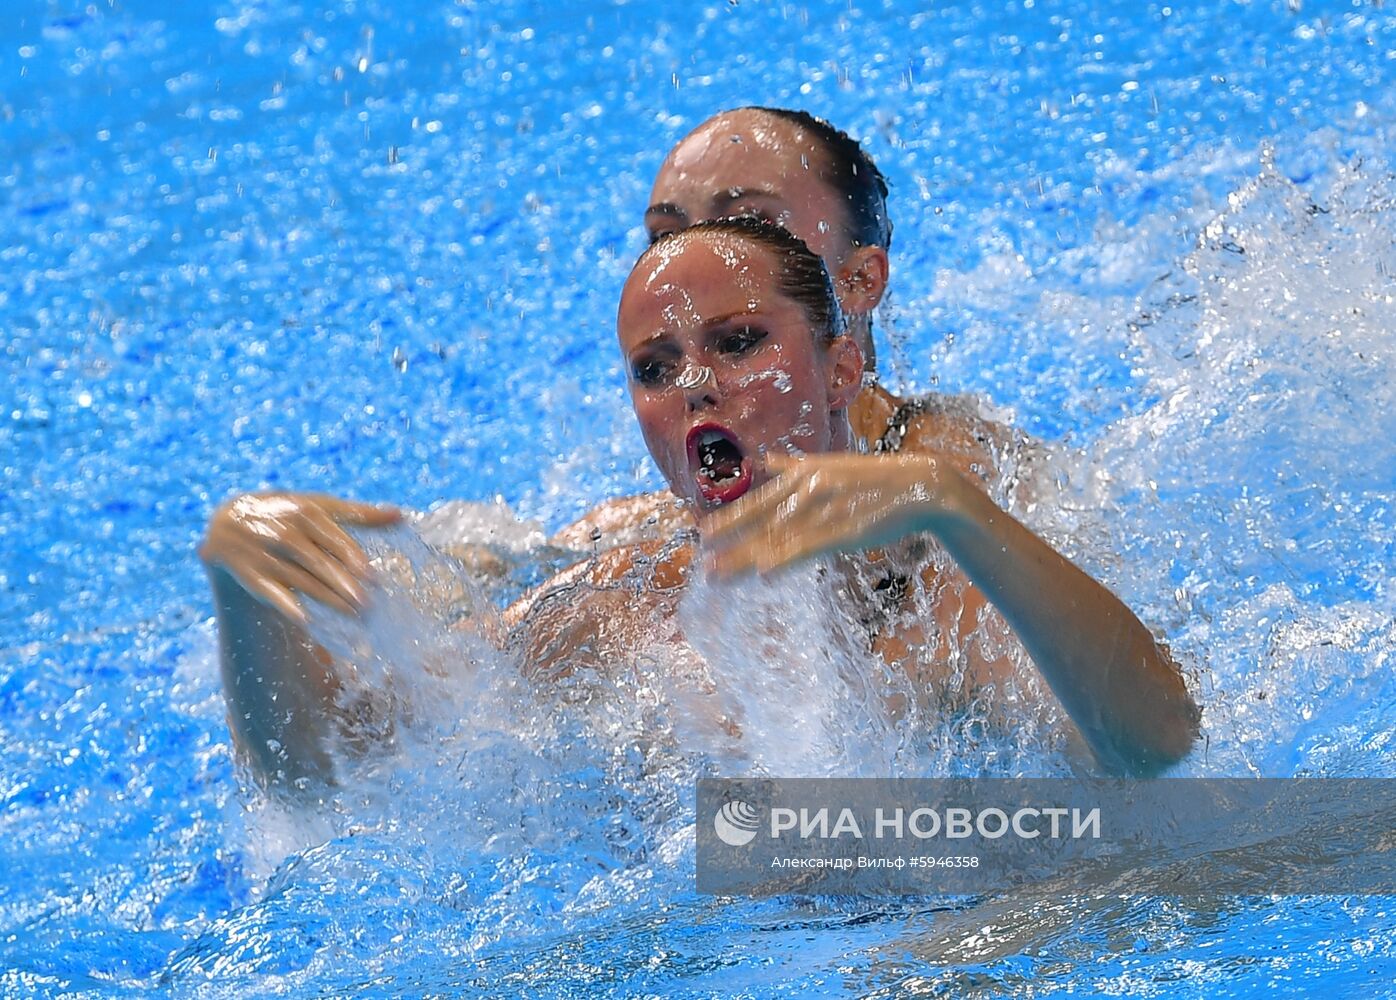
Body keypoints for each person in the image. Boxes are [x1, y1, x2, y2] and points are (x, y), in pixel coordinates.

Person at [201, 218, 1199, 793]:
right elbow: (331, 770)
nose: (694, 384)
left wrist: (957, 511)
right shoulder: (624, 596)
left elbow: (1155, 750)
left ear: (842, 363)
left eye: (737, 342)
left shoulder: (938, 582)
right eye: (654, 365)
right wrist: (247, 590)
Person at [549, 106, 1022, 550]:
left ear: (860, 279)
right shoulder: (660, 522)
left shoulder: (969, 476)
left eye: (750, 223)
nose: (700, 256)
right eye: (667, 236)